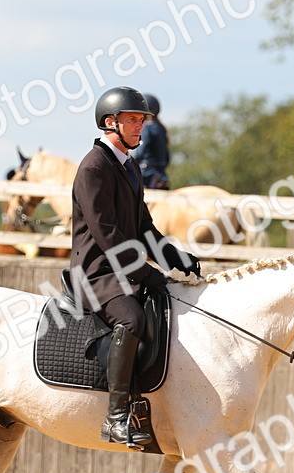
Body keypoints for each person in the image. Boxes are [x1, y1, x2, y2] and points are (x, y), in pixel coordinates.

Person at [71, 86, 200, 448]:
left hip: (120, 268)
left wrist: (175, 257)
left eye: (142, 120)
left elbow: (143, 227)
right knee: (132, 319)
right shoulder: (94, 167)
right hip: (96, 271)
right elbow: (107, 234)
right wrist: (145, 273)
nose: (140, 126)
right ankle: (115, 418)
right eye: (133, 120)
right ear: (111, 122)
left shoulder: (128, 166)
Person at [132, 93, 170, 190]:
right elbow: (167, 158)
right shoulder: (161, 129)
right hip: (161, 176)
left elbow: (140, 152)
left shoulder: (147, 128)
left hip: (147, 174)